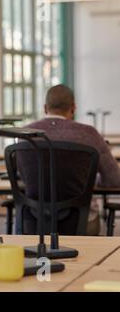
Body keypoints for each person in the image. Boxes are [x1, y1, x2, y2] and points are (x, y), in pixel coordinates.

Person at [22, 84, 120, 235]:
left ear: (45, 108)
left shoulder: (25, 134)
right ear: (73, 108)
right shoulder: (89, 134)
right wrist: (89, 180)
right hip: (81, 222)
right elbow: (114, 179)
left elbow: (20, 178)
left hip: (34, 221)